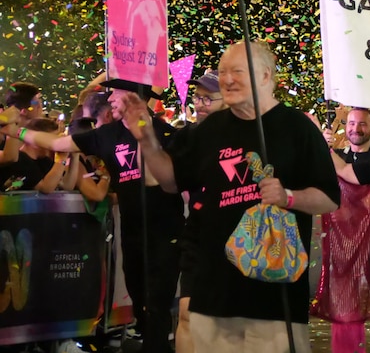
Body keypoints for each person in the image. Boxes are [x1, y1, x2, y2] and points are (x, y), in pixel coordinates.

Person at [125, 40, 340, 353]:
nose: (226, 79)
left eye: (237, 71)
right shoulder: (208, 130)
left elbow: (329, 198)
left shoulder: (298, 129)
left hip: (273, 302)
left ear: (266, 77)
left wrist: (288, 197)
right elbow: (171, 181)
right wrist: (147, 142)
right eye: (223, 71)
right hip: (212, 295)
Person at [0, 78, 182, 353]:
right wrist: (17, 134)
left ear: (137, 98)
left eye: (117, 94)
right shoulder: (106, 134)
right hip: (131, 232)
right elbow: (59, 143)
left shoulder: (166, 134)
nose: (109, 100)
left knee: (157, 302)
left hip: (165, 232)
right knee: (138, 295)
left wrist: (147, 138)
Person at [314, 106, 370, 353]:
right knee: (344, 309)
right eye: (351, 123)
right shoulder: (338, 155)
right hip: (341, 251)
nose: (355, 128)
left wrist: (324, 147)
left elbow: (348, 174)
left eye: (362, 124)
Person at [176, 69, 227, 353]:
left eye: (209, 99)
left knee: (221, 323)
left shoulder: (242, 135)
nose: (200, 104)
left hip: (233, 238)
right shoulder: (187, 137)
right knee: (186, 313)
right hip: (196, 235)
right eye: (198, 97)